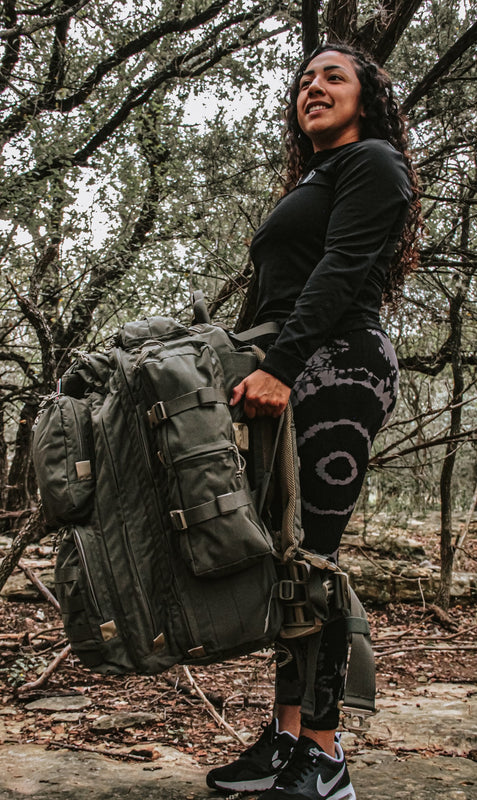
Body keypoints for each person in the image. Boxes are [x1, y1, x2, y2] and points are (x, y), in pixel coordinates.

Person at [206, 42, 421, 800]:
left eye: (333, 77)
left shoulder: (374, 162)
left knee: (313, 564)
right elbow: (273, 291)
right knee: (286, 562)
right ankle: (285, 736)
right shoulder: (319, 176)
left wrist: (280, 366)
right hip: (295, 365)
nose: (313, 87)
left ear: (367, 97)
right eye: (303, 80)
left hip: (339, 367)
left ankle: (324, 759)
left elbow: (338, 273)